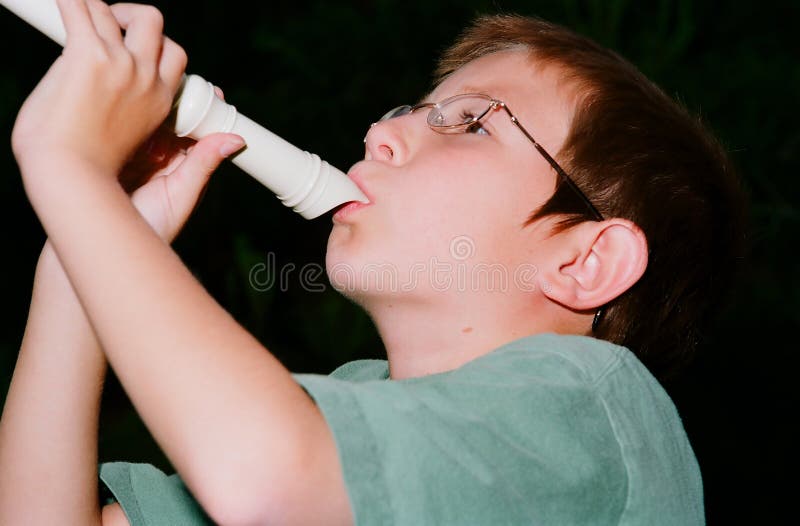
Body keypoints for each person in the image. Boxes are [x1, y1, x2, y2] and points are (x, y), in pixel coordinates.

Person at [0, 0, 746, 524]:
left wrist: (70, 170)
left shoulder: (592, 409)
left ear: (587, 261)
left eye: (471, 123)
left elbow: (266, 481)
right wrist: (81, 249)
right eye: (409, 110)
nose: (379, 134)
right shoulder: (350, 404)